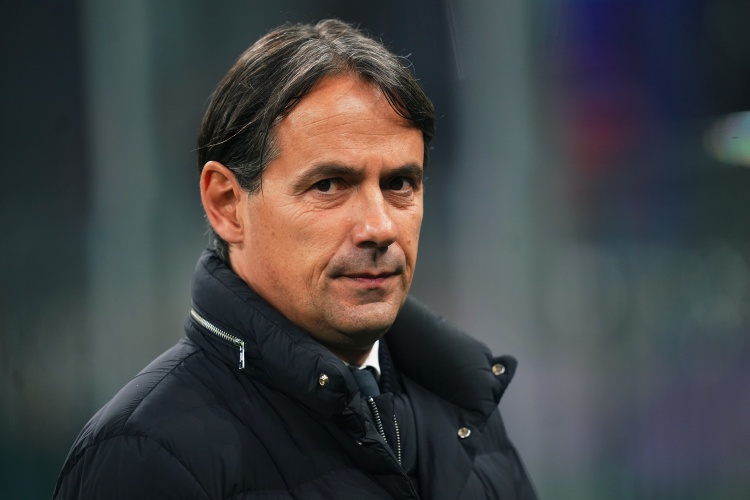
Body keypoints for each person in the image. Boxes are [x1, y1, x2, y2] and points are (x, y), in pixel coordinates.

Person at [54, 19, 536, 499]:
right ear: (227, 204)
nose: (380, 228)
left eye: (399, 184)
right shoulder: (144, 454)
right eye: (329, 185)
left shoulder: (467, 413)